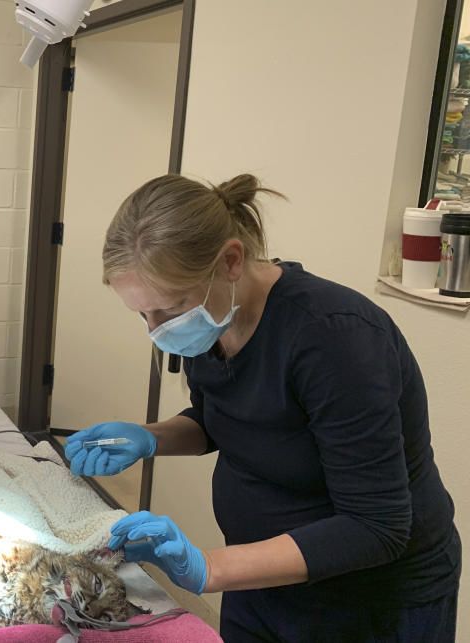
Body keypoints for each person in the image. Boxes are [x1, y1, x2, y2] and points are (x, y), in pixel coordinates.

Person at [65, 174, 461, 641]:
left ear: (231, 261)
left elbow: (376, 527)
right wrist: (150, 437)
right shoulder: (213, 324)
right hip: (262, 576)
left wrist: (208, 567)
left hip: (371, 600)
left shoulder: (333, 337)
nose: (156, 331)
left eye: (170, 310)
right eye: (142, 314)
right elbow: (219, 423)